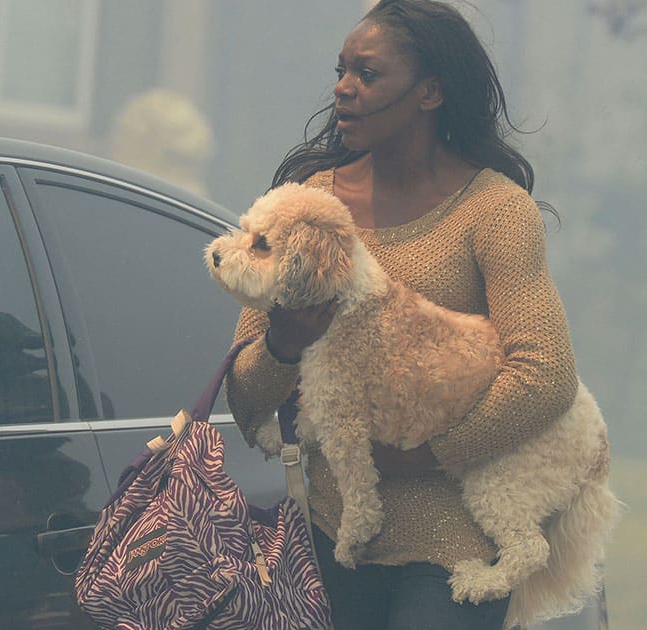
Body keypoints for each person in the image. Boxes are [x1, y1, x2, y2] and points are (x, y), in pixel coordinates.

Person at [224, 1, 578, 628]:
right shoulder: (307, 204)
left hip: (455, 542)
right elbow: (249, 402)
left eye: (367, 74)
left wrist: (432, 456)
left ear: (429, 92)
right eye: (340, 71)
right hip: (331, 540)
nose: (343, 89)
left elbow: (545, 374)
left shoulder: (494, 212)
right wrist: (282, 344)